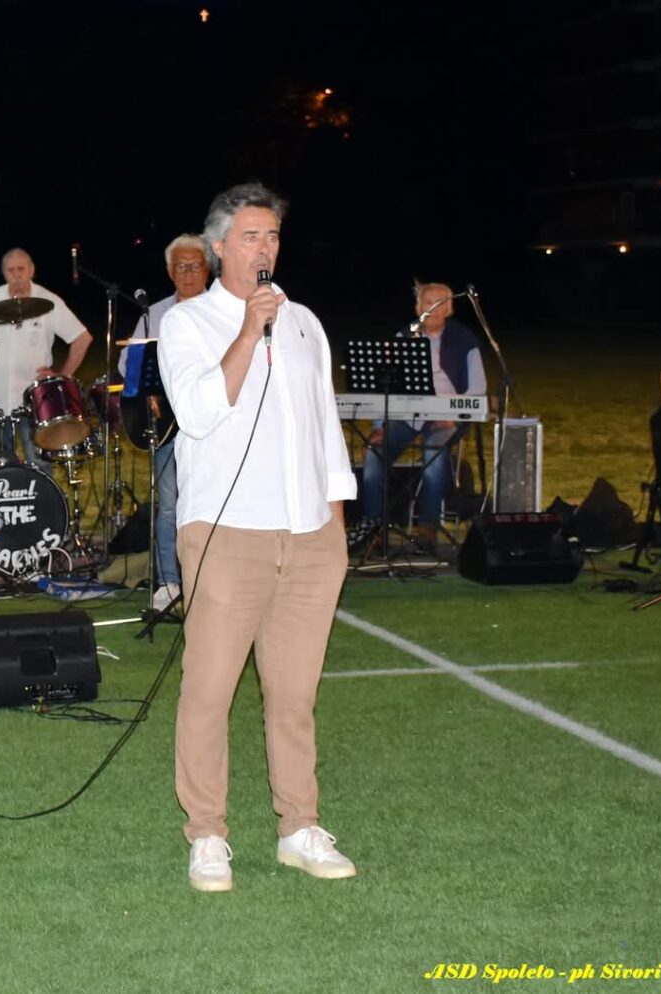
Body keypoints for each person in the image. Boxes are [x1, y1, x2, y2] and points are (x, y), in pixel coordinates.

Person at [158, 182, 358, 892]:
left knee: (294, 695)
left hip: (308, 536)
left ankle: (298, 826)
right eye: (249, 236)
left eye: (271, 236)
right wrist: (247, 332)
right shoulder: (186, 324)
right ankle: (207, 834)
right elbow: (198, 413)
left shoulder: (304, 322)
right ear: (218, 247)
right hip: (226, 533)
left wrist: (335, 526)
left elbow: (323, 424)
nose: (264, 248)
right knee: (209, 692)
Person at [118, 234, 209, 610]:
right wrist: (148, 392)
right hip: (169, 425)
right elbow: (128, 364)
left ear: (208, 269)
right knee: (169, 504)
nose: (188, 273)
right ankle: (170, 582)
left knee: (212, 502)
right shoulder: (153, 315)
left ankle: (210, 578)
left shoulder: (225, 309)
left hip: (213, 423)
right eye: (181, 267)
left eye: (195, 265)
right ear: (170, 272)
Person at [360, 282, 487, 548]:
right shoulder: (404, 336)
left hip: (447, 417)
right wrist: (379, 425)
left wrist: (454, 416)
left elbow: (477, 390)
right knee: (374, 454)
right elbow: (385, 386)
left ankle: (427, 529)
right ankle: (373, 529)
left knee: (434, 453)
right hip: (407, 415)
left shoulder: (465, 340)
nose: (434, 309)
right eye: (429, 303)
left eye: (441, 304)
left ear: (450, 309)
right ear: (419, 308)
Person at [0, 248, 92, 466]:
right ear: (4, 273)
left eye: (21, 269)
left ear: (31, 270)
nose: (17, 275)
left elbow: (82, 338)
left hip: (36, 403)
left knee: (40, 467)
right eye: (11, 270)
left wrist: (62, 376)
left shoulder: (49, 301)